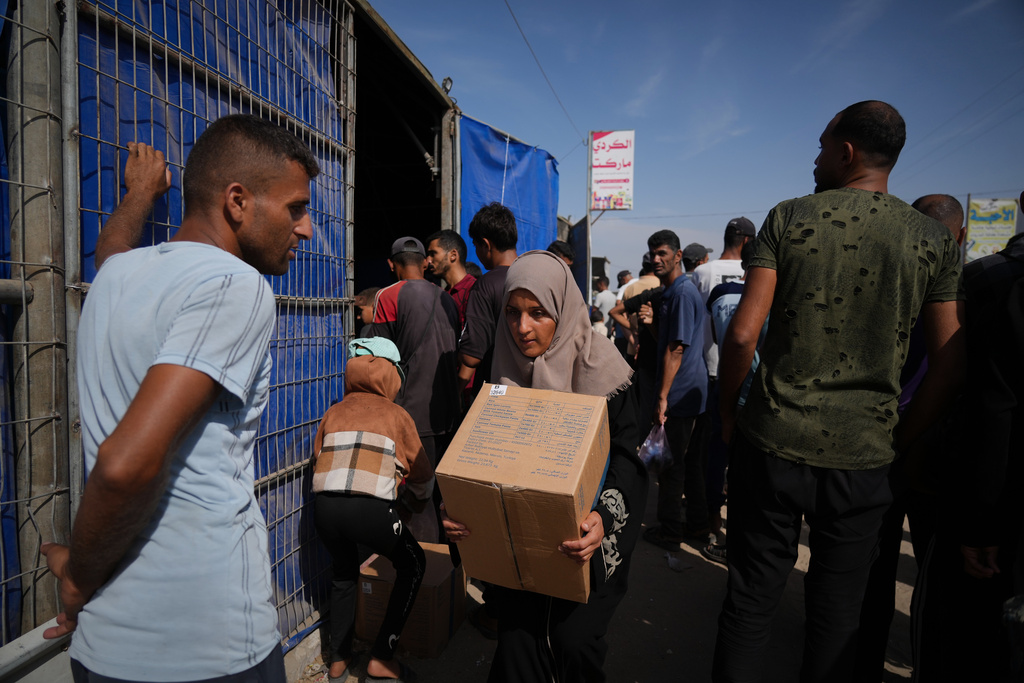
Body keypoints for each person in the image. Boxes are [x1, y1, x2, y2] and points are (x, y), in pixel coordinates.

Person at [40, 114, 321, 682]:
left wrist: (139, 194)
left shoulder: (117, 277)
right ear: (237, 201)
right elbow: (124, 466)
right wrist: (74, 581)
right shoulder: (236, 286)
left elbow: (111, 248)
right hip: (209, 647)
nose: (307, 228)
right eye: (295, 208)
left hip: (105, 650)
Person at [712, 101, 964, 683]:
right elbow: (951, 366)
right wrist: (899, 437)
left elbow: (744, 333)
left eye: (822, 145)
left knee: (750, 604)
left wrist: (729, 413)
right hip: (865, 459)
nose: (815, 158)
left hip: (771, 441)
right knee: (837, 617)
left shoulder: (789, 218)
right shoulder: (932, 240)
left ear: (846, 152)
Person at [442, 250, 646, 683]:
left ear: (563, 309)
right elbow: (475, 454)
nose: (522, 328)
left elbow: (628, 463)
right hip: (519, 547)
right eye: (512, 313)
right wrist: (458, 509)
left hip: (585, 545)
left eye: (538, 313)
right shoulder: (498, 375)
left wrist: (602, 519)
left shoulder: (607, 376)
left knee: (574, 644)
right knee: (518, 642)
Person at [853, 193, 965, 682]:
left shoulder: (883, 278)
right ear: (959, 236)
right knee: (933, 575)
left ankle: (862, 661)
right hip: (928, 443)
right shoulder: (965, 287)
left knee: (875, 565)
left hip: (889, 439)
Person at [312, 338, 433, 682]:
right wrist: (409, 508)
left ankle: (338, 660)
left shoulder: (333, 411)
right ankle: (382, 657)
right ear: (392, 376)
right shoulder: (397, 415)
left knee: (344, 572)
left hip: (325, 509)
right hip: (373, 513)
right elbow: (423, 475)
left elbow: (317, 456)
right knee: (413, 563)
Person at [364, 236, 460, 540]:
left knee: (417, 502)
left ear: (392, 265)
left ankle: (423, 576)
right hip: (449, 415)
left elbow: (376, 360)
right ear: (424, 263)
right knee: (446, 502)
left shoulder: (388, 296)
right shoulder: (448, 298)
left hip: (410, 416)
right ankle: (449, 577)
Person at [642, 229, 711, 550]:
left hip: (680, 394)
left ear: (678, 256)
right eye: (653, 254)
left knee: (671, 468)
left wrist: (662, 397)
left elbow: (676, 349)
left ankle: (671, 530)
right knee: (690, 464)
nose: (656, 259)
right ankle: (698, 525)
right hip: (686, 391)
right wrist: (652, 322)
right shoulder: (673, 292)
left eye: (662, 254)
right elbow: (666, 340)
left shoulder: (682, 293)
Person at [701, 240, 766, 565]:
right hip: (757, 395)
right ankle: (742, 540)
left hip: (721, 384)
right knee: (750, 470)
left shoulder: (720, 293)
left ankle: (714, 524)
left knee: (718, 457)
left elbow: (719, 337)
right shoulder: (772, 296)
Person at [458, 203, 518, 393]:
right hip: (534, 389)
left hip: (496, 391)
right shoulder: (538, 276)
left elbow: (471, 357)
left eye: (476, 246)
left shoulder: (485, 285)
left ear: (486, 244)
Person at [693, 217, 755, 381]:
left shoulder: (701, 271)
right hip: (749, 366)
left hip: (711, 363)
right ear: (747, 240)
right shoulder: (756, 272)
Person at [426, 229, 477, 327]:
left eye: (433, 254)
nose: (428, 260)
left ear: (453, 255)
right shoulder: (443, 294)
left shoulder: (474, 290)